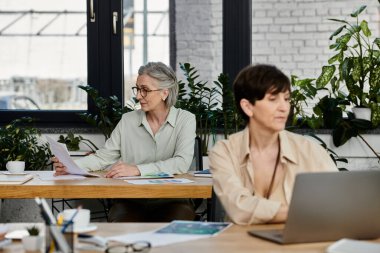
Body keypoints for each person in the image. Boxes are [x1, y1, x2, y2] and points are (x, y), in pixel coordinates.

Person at [52, 62, 196, 222]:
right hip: (130, 200)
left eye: (145, 90)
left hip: (173, 200)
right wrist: (71, 166)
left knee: (175, 235)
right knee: (121, 232)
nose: (138, 96)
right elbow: (103, 158)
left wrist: (137, 170)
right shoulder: (128, 120)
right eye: (137, 89)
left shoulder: (186, 120)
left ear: (164, 93)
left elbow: (181, 162)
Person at [209, 64, 338, 225]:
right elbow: (239, 209)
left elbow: (335, 205)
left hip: (296, 244)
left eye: (286, 99)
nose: (284, 108)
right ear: (248, 107)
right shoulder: (224, 152)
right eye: (273, 99)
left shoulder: (310, 150)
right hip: (241, 245)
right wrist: (304, 211)